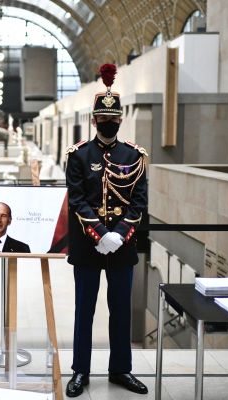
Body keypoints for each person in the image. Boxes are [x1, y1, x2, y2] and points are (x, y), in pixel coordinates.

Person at [65, 64, 148, 397]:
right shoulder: (79, 155)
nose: (108, 122)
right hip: (88, 246)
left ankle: (120, 370)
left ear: (121, 119)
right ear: (94, 119)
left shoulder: (134, 155)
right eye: (103, 118)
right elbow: (77, 198)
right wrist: (101, 234)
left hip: (122, 246)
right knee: (84, 310)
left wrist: (119, 235)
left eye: (113, 118)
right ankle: (80, 372)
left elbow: (139, 201)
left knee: (121, 311)